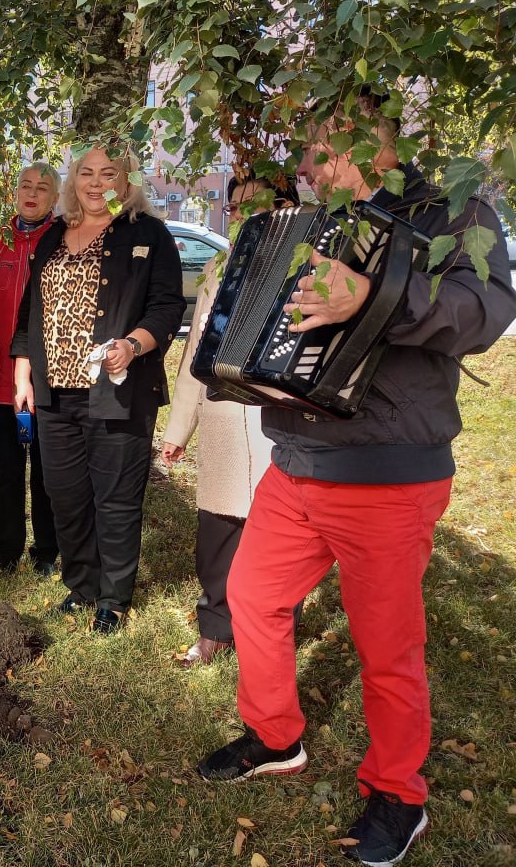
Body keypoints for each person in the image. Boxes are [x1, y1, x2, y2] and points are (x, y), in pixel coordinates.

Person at [195, 94, 516, 867]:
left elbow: (489, 308)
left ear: (382, 140)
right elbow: (281, 323)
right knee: (252, 598)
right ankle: (276, 737)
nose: (312, 164)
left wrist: (375, 296)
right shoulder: (312, 223)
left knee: (387, 647)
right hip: (299, 460)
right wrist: (262, 373)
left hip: (389, 472)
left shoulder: (447, 205)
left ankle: (399, 794)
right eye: (309, 148)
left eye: (327, 145)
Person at [11, 144, 185, 632]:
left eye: (108, 173)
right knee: (65, 496)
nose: (95, 182)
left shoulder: (148, 234)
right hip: (55, 394)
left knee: (116, 498)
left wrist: (132, 345)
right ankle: (81, 585)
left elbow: (168, 307)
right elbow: (31, 311)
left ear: (127, 182)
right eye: (85, 172)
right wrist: (23, 373)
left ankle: (112, 597)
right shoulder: (53, 236)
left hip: (117, 393)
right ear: (72, 181)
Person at [160, 176, 297, 667]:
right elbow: (196, 353)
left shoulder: (306, 267)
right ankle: (216, 629)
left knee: (277, 536)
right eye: (235, 207)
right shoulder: (220, 267)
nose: (243, 215)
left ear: (285, 207)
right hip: (220, 417)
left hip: (275, 419)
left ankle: (272, 631)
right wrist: (178, 431)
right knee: (217, 535)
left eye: (255, 204)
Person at [0, 162, 60, 576]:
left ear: (55, 198)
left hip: (47, 382)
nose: (33, 193)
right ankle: (6, 551)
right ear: (14, 192)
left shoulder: (63, 240)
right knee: (6, 469)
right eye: (26, 185)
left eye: (42, 187)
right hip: (1, 383)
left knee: (47, 471)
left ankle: (47, 551)